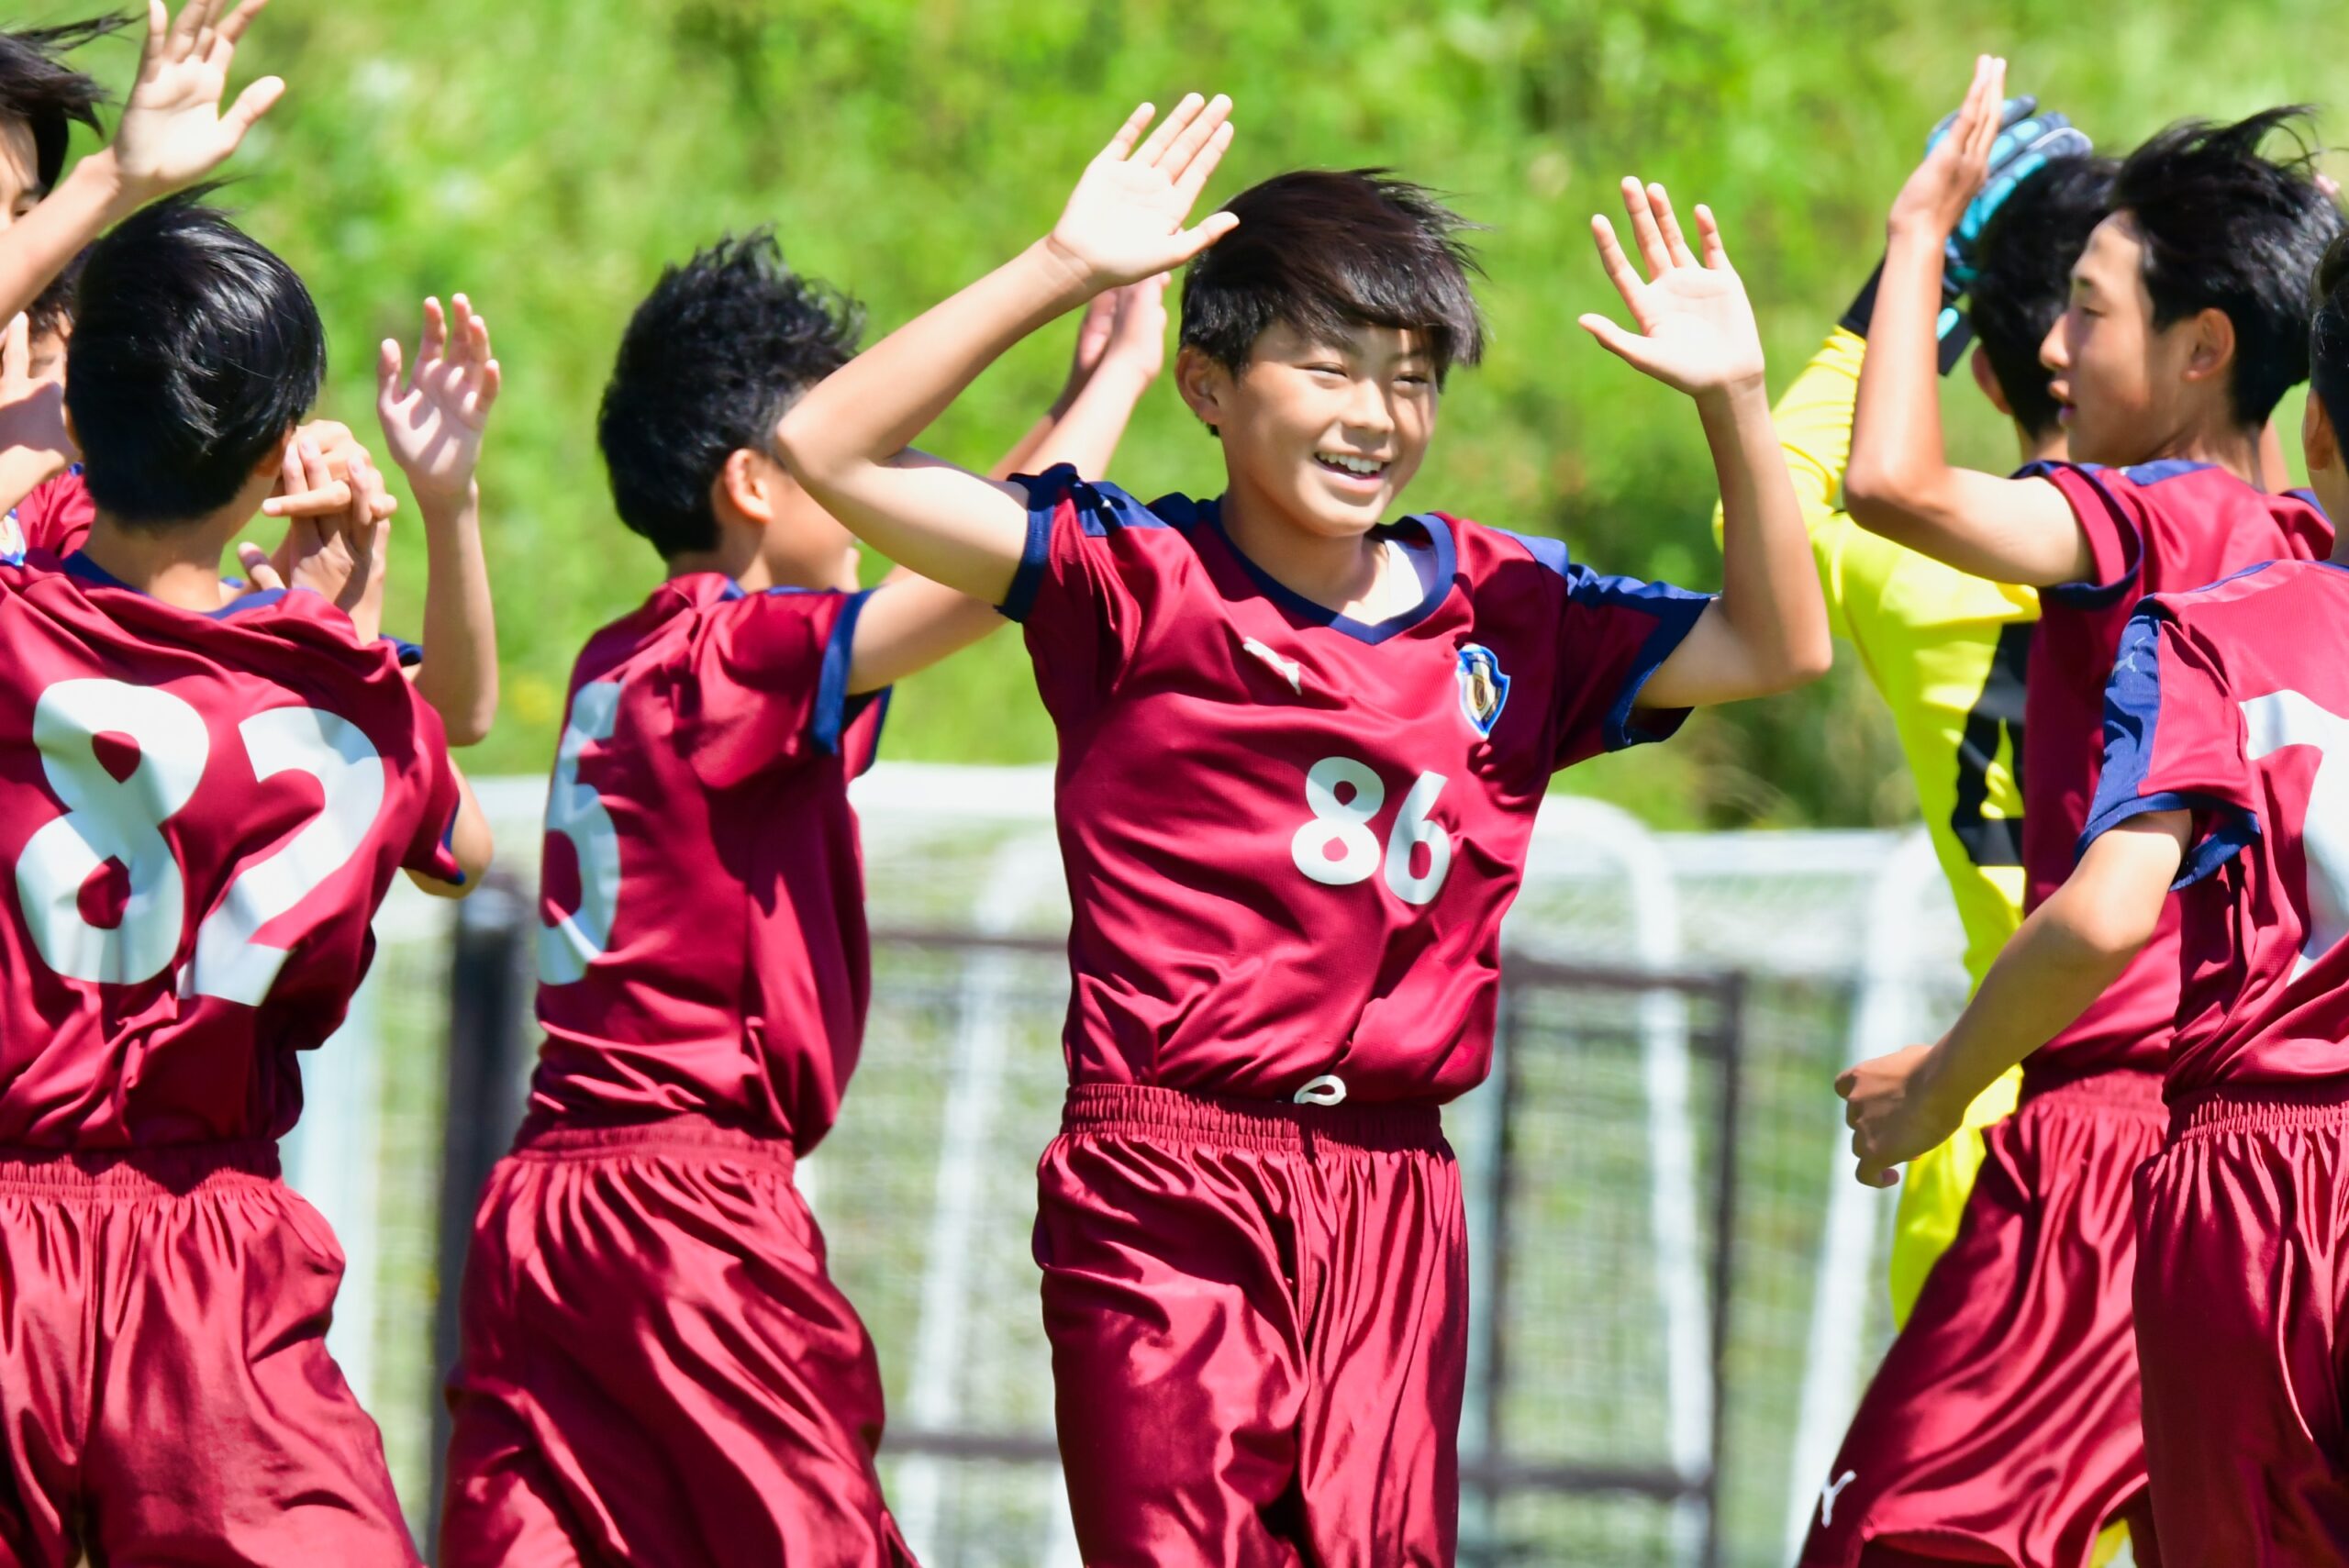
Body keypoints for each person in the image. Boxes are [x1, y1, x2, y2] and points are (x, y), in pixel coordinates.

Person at [774, 94, 1831, 1562]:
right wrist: (1059, 269)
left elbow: (1780, 644)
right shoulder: (1125, 576)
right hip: (1169, 1181)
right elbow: (828, 446)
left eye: (1410, 378)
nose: (1375, 415)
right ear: (1209, 386)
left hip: (1397, 1193)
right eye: (1327, 367)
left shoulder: (1506, 606)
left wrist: (1732, 402)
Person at [436, 231, 1167, 1567]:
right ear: (760, 483)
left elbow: (958, 550)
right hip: (686, 1211)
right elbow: (976, 585)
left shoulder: (627, 658)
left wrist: (1075, 405)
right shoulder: (733, 658)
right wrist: (1114, 375)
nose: (881, 491)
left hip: (543, 1209)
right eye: (854, 462)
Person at [1807, 57, 2341, 1568]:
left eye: (2087, 309)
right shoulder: (2309, 556)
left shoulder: (2163, 517)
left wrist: (1922, 240)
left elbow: (1893, 485)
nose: (2049, 345)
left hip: (2110, 1145)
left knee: (1892, 1542)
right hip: (2261, 1163)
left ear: (2202, 352)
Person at [0, 3, 497, 1558]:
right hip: (213, 1242)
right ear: (278, 440)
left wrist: (119, 184)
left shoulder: (26, 617)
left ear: (77, 392)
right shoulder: (333, 681)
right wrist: (341, 620)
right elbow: (464, 815)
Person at [1716, 126, 2113, 1319]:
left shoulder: (1911, 569)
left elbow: (1770, 524)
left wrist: (1904, 289)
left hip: (1990, 1128)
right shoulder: (2241, 547)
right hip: (2210, 1139)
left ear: (1991, 378)